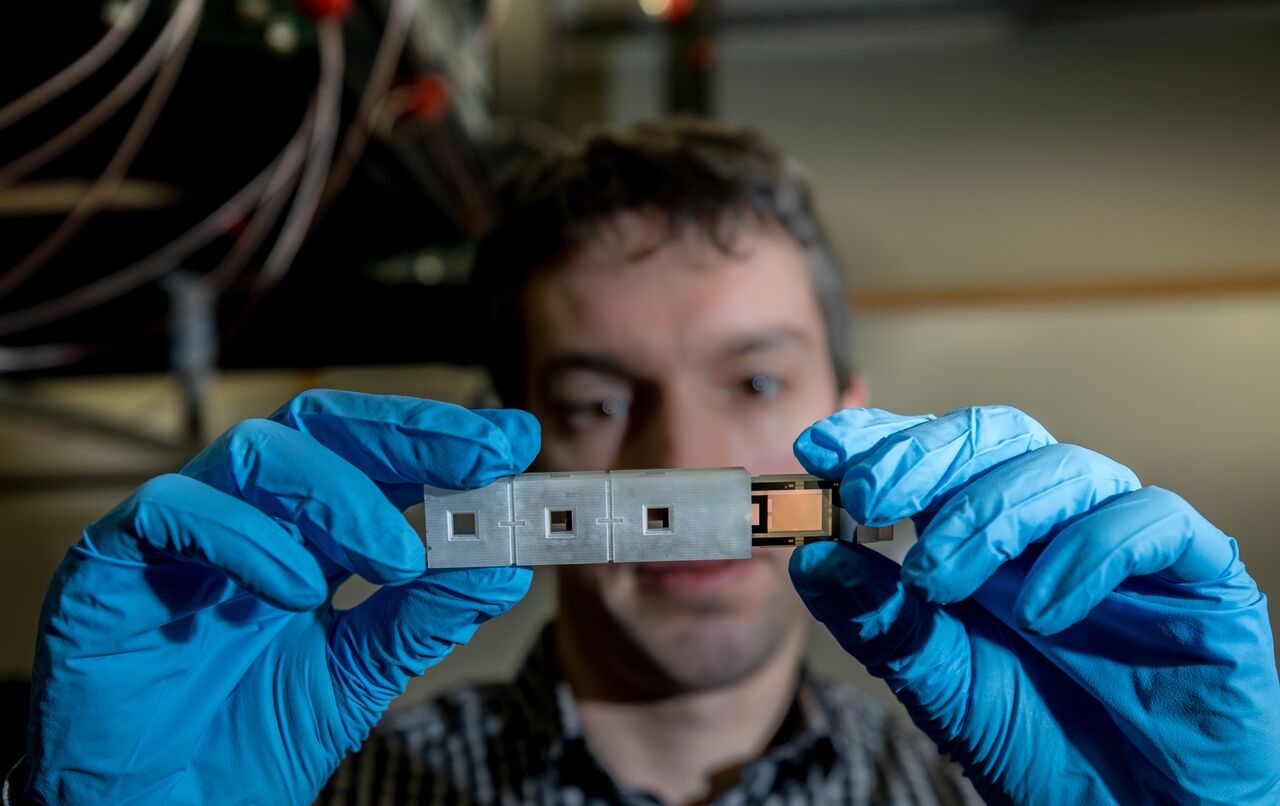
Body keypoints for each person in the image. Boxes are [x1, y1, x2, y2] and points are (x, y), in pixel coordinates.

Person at [13, 120, 1279, 806]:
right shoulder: (323, 795)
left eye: (755, 381)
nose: (685, 463)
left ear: (853, 413)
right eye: (598, 398)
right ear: (504, 448)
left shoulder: (992, 798)